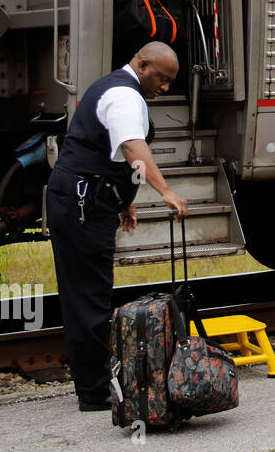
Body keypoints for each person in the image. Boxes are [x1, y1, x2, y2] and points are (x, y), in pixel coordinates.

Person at [45, 42, 189, 412]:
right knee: (88, 295)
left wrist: (123, 200)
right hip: (83, 201)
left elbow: (107, 152)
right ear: (142, 64)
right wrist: (166, 191)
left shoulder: (114, 87)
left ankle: (94, 382)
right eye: (162, 78)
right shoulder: (125, 95)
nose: (165, 88)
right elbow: (130, 147)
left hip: (88, 197)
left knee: (89, 291)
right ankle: (94, 392)